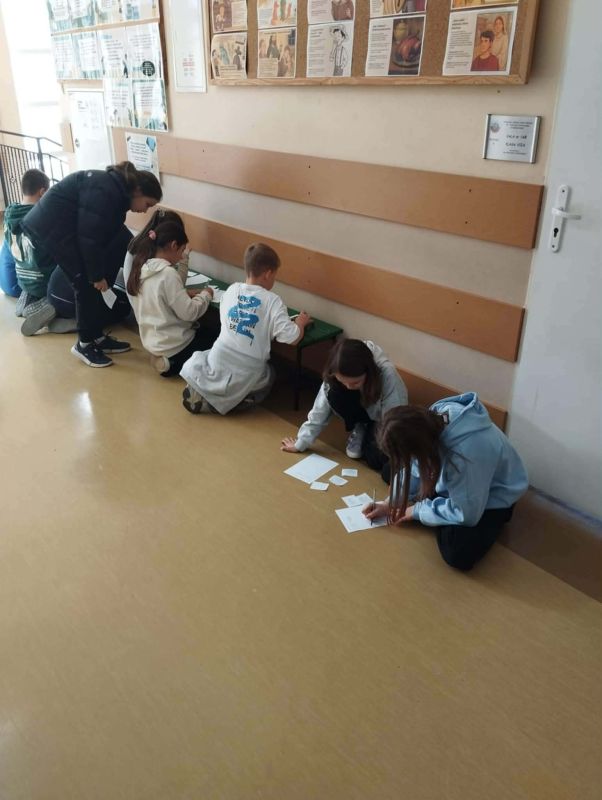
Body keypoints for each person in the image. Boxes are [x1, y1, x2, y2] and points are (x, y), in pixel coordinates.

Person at [363, 393, 528, 571]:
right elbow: (416, 466)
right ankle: (437, 509)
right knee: (389, 471)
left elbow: (467, 513)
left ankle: (437, 511)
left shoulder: (466, 454)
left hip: (491, 497)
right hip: (459, 480)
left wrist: (417, 511)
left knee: (457, 552)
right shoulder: (428, 423)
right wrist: (391, 503)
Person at [21, 161, 162, 367]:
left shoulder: (116, 193)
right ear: (138, 191)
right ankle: (84, 344)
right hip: (50, 228)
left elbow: (113, 234)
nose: (145, 210)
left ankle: (97, 336)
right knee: (84, 283)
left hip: (64, 228)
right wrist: (96, 276)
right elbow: (89, 239)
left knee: (93, 280)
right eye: (147, 204)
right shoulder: (107, 192)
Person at [180, 242, 311, 415]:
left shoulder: (232, 290)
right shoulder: (273, 301)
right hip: (248, 366)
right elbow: (292, 337)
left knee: (206, 360)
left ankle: (201, 389)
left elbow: (226, 319)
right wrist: (300, 323)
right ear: (268, 274)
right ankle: (228, 403)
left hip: (220, 354)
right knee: (270, 374)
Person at [281, 339, 407, 477]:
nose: (348, 387)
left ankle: (369, 429)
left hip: (382, 417)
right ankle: (360, 425)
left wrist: (392, 449)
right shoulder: (334, 372)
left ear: (368, 372)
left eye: (355, 382)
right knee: (334, 393)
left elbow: (394, 417)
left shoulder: (386, 373)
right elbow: (319, 410)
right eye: (343, 382)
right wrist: (301, 443)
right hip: (361, 409)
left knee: (376, 460)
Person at [126, 220, 216, 376]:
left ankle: (161, 358)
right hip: (175, 347)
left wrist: (184, 293)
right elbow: (190, 313)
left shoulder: (143, 267)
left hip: (154, 342)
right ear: (174, 245)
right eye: (181, 250)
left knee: (202, 333)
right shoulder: (168, 274)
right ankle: (171, 364)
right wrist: (206, 294)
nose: (181, 256)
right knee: (214, 339)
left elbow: (160, 298)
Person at [22, 225, 133, 336]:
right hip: (75, 300)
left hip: (53, 289)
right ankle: (77, 322)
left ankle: (58, 308)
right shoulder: (127, 240)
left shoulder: (87, 225)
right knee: (123, 308)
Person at [3, 169, 55, 317]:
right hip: (43, 281)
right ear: (42, 192)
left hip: (22, 279)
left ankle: (27, 298)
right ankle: (49, 301)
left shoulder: (9, 214)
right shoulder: (43, 216)